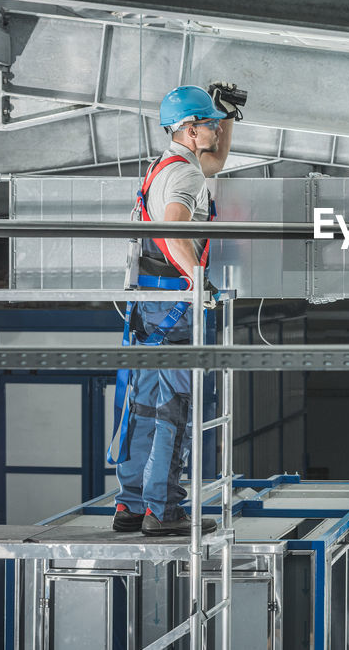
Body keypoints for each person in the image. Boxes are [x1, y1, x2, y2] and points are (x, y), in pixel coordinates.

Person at [107, 82, 242, 535]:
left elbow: (218, 159)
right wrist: (197, 283)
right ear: (188, 129)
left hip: (148, 296)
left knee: (144, 399)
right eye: (207, 124)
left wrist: (228, 115)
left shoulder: (171, 163)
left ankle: (130, 504)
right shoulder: (184, 176)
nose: (214, 131)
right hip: (174, 300)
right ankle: (162, 511)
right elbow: (171, 231)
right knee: (173, 405)